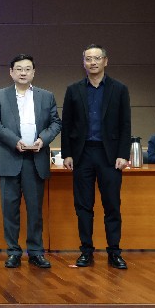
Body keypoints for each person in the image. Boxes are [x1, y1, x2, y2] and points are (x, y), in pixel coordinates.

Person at [0, 54, 61, 269]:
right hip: (10, 158)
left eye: (27, 69)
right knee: (10, 210)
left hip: (35, 160)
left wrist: (42, 140)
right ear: (11, 72)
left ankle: (36, 252)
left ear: (33, 72)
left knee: (35, 210)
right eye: (18, 69)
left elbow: (56, 123)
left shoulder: (46, 96)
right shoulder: (0, 95)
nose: (23, 73)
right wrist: (14, 141)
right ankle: (13, 252)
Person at [61, 44, 131, 270]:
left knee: (112, 205)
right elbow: (67, 124)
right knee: (83, 206)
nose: (93, 62)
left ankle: (114, 252)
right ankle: (86, 251)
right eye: (88, 59)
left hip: (109, 156)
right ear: (83, 63)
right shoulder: (73, 90)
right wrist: (67, 153)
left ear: (105, 61)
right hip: (82, 154)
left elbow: (125, 124)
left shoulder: (119, 89)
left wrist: (123, 154)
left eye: (97, 58)